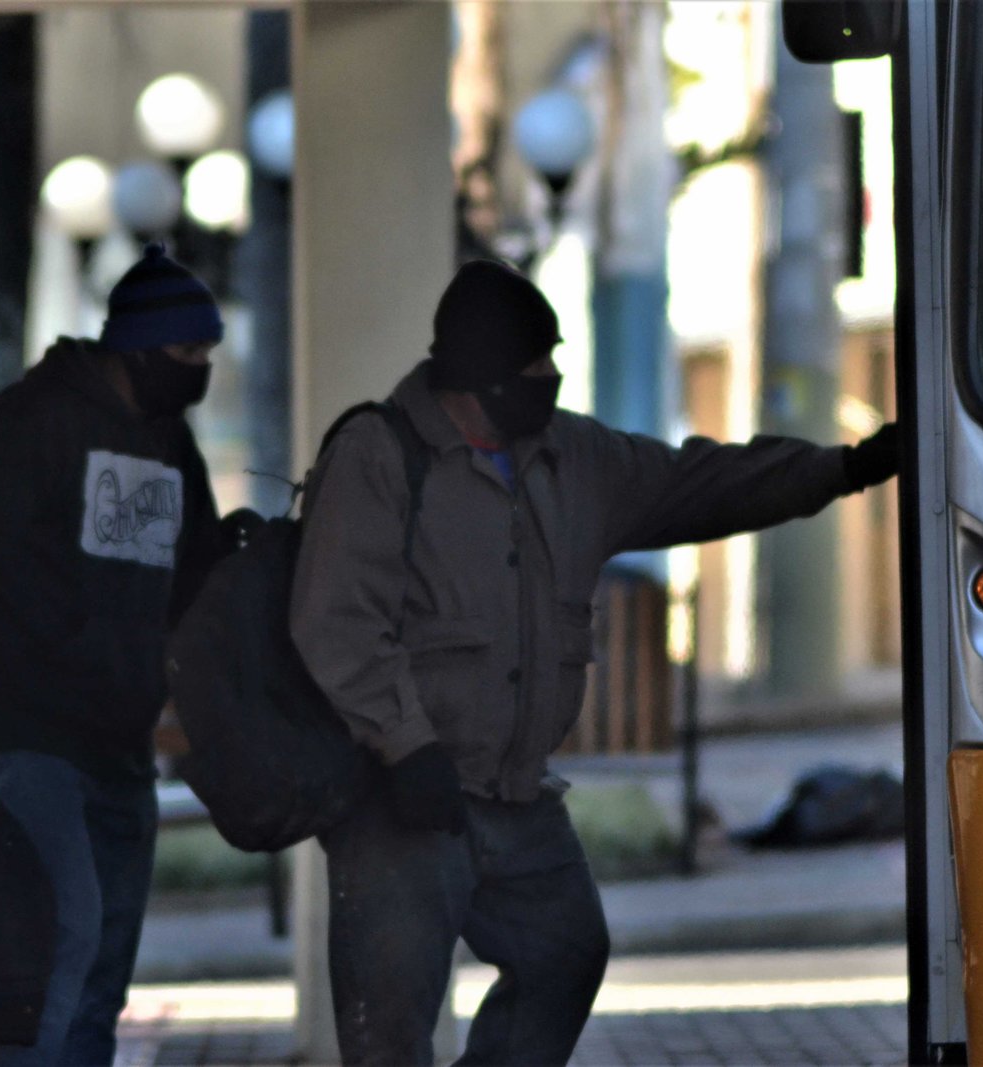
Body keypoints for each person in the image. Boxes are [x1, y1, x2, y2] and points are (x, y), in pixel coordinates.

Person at [290, 259, 899, 1067]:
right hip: (401, 798)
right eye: (532, 364)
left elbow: (701, 480)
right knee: (391, 1033)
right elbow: (335, 619)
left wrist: (843, 469)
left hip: (514, 795)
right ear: (476, 376)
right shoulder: (378, 454)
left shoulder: (571, 455)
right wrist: (405, 745)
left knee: (565, 954)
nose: (550, 376)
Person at [0, 242, 224, 1066]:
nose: (200, 370)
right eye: (188, 352)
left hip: (122, 741)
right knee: (59, 942)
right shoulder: (36, 420)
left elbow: (194, 574)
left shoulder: (171, 443)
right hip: (29, 729)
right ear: (139, 345)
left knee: (103, 971)